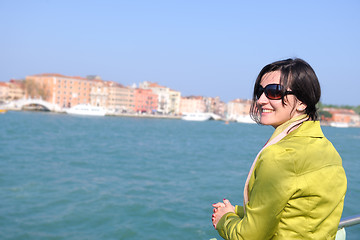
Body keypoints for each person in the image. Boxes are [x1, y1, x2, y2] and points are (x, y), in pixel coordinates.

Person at [211, 58, 347, 239]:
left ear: (302, 102)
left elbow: (248, 237)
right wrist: (236, 210)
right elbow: (298, 214)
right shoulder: (328, 150)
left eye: (274, 92)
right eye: (260, 92)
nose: (260, 100)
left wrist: (224, 219)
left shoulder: (279, 156)